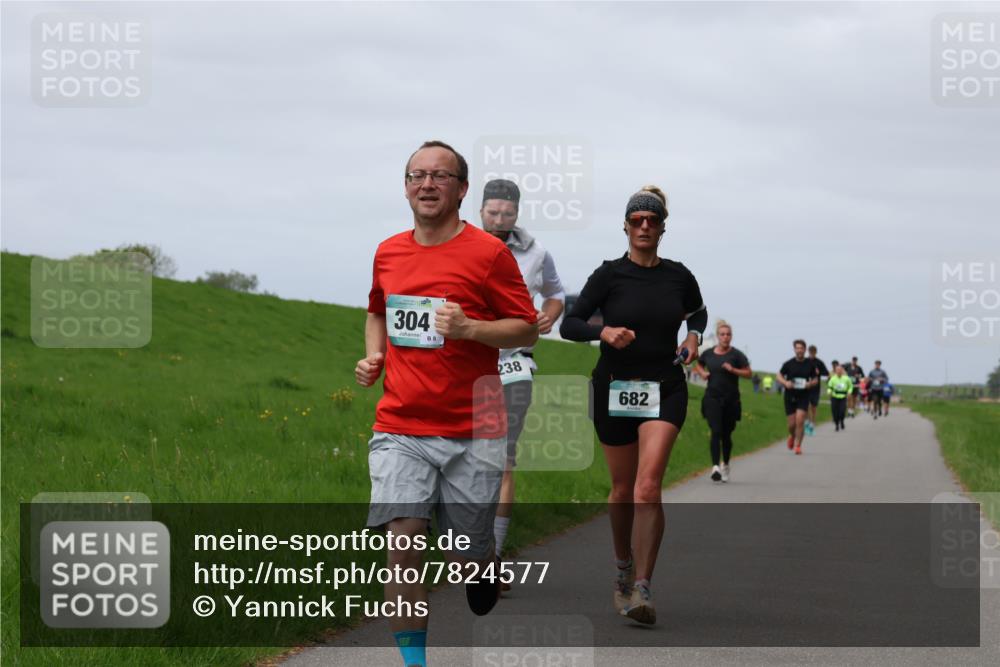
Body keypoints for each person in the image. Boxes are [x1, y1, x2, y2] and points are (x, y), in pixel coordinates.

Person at [355, 140, 538, 667]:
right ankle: (416, 663)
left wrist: (469, 328)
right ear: (405, 186)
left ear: (461, 188)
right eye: (416, 175)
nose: (427, 184)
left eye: (440, 175)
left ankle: (482, 560)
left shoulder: (488, 254)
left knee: (462, 556)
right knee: (404, 543)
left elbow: (526, 327)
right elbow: (376, 312)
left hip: (473, 430)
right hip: (401, 426)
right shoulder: (388, 251)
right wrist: (374, 357)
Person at [560, 185, 706, 625]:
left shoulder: (679, 275)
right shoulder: (608, 275)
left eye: (653, 220)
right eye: (637, 219)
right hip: (614, 389)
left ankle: (643, 585)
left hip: (665, 386)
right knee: (623, 490)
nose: (645, 225)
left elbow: (697, 312)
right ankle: (622, 566)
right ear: (625, 226)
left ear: (663, 228)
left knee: (647, 486)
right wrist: (602, 333)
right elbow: (570, 323)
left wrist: (694, 337)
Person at [479, 178, 566, 590]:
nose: (499, 221)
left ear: (518, 214)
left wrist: (549, 315)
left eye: (507, 214)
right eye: (492, 213)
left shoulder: (536, 252)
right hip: (466, 366)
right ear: (480, 210)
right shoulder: (457, 243)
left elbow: (556, 294)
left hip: (514, 365)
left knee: (503, 461)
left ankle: (492, 557)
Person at [693, 320, 751, 483]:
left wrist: (734, 370)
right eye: (722, 334)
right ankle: (715, 467)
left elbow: (748, 373)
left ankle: (725, 464)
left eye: (728, 334)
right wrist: (702, 373)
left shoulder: (737, 355)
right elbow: (697, 365)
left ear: (731, 337)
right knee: (716, 431)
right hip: (712, 398)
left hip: (731, 400)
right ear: (718, 336)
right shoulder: (709, 353)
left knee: (726, 435)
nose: (725, 337)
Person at [777, 340, 819, 455]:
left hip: (804, 395)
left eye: (801, 348)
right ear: (794, 349)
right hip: (790, 395)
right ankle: (791, 435)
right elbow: (778, 375)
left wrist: (810, 384)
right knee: (791, 424)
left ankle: (798, 446)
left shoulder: (810, 364)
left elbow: (816, 379)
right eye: (797, 348)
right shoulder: (788, 363)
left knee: (800, 421)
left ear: (805, 350)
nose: (799, 350)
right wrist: (785, 383)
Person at [805, 345, 829, 435]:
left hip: (816, 388)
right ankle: (807, 421)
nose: (811, 354)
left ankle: (813, 422)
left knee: (813, 406)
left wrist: (819, 372)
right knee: (807, 405)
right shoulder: (805, 361)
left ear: (816, 352)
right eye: (810, 352)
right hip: (806, 387)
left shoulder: (819, 362)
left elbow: (826, 373)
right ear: (808, 352)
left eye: (813, 352)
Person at [827, 363, 853, 432]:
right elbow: (829, 387)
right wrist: (829, 392)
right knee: (835, 412)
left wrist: (849, 392)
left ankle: (842, 421)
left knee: (842, 411)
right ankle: (836, 425)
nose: (838, 371)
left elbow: (850, 386)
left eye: (840, 370)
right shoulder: (833, 379)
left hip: (843, 397)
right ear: (835, 371)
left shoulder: (846, 379)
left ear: (842, 371)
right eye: (837, 370)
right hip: (834, 397)